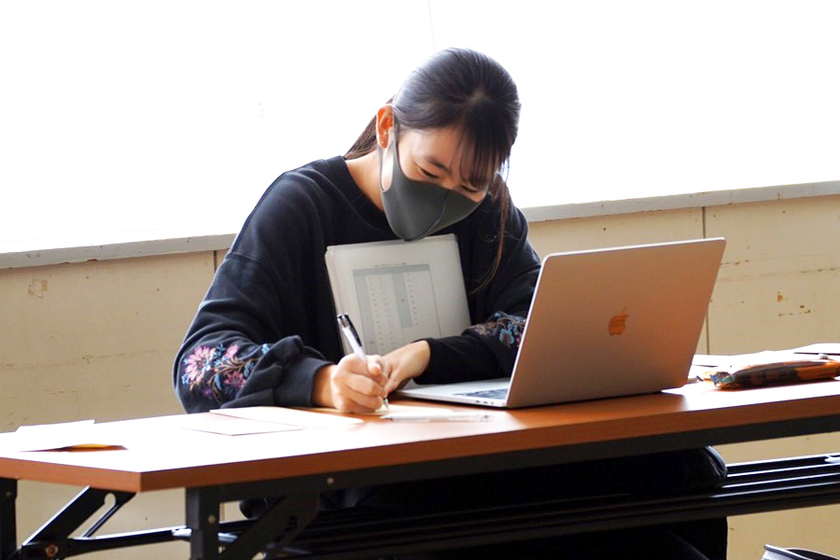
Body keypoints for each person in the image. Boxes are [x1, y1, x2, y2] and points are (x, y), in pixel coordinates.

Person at [173, 47, 726, 559]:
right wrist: (321, 382)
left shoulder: (488, 212)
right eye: (429, 171)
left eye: (469, 185)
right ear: (387, 128)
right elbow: (200, 363)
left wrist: (429, 355)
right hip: (357, 484)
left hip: (479, 463)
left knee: (682, 467)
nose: (445, 197)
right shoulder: (303, 205)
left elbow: (536, 323)